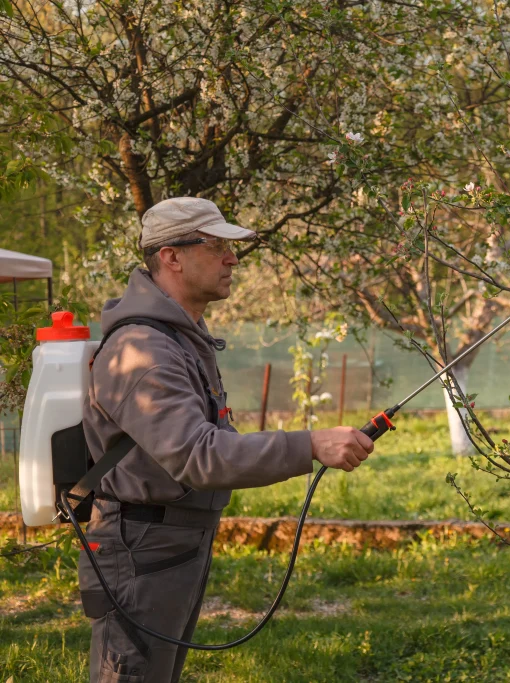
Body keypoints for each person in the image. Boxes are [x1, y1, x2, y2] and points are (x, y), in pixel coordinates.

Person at [77, 196, 373, 683]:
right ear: (171, 256)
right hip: (143, 547)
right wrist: (311, 444)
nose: (233, 258)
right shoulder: (144, 349)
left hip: (170, 542)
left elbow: (214, 440)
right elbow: (200, 455)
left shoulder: (181, 337)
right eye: (216, 245)